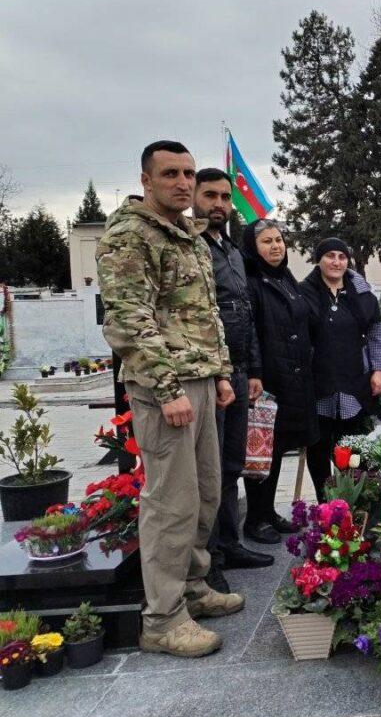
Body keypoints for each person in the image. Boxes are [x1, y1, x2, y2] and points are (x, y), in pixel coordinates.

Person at [96, 140, 243, 658]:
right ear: (146, 181)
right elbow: (128, 320)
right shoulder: (130, 236)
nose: (183, 183)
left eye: (187, 173)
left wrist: (220, 373)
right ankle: (162, 618)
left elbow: (205, 313)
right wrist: (166, 388)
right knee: (170, 501)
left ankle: (193, 588)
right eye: (170, 174)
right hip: (165, 389)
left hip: (199, 380)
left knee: (205, 492)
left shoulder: (188, 234)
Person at [192, 169, 274, 592]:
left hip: (240, 372)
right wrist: (224, 373)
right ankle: (208, 559)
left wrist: (254, 370)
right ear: (194, 197)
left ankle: (229, 542)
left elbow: (245, 313)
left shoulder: (232, 251)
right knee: (208, 470)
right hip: (211, 374)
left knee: (231, 464)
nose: (219, 204)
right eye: (210, 196)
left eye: (225, 197)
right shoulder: (192, 247)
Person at [241, 219, 318, 544]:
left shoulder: (285, 277)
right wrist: (255, 372)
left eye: (278, 240)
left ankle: (269, 511)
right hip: (267, 380)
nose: (275, 246)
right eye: (267, 242)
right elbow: (249, 333)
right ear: (252, 248)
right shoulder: (251, 282)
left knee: (277, 448)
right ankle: (255, 519)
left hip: (293, 377)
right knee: (261, 450)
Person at [300, 237, 381, 502]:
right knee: (318, 448)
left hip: (354, 382)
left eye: (341, 256)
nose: (336, 262)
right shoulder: (303, 293)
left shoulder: (362, 296)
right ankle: (326, 504)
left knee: (353, 450)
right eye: (330, 256)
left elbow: (376, 334)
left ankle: (354, 503)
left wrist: (379, 369)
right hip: (318, 382)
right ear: (319, 260)